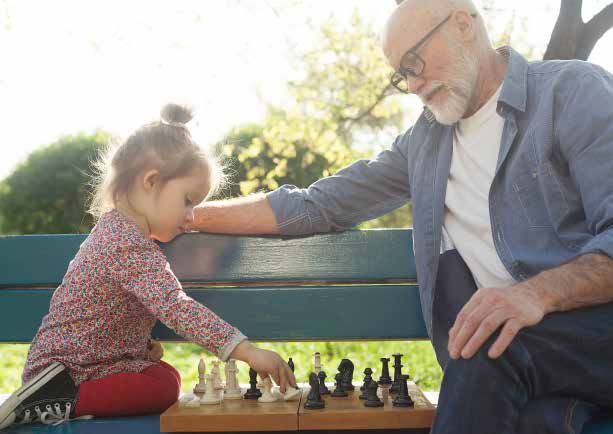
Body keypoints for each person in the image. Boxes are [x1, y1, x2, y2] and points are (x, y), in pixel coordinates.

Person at [185, 1, 613, 433]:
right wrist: (188, 215)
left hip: (590, 332)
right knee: (535, 415)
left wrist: (533, 295)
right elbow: (319, 204)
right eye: (401, 74)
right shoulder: (424, 144)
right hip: (518, 362)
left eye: (414, 62)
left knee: (485, 346)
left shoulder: (572, 93)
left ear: (463, 24)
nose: (411, 84)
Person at [0, 104, 296, 430]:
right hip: (67, 371)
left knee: (164, 376)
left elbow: (102, 317)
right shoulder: (127, 244)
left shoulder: (118, 233)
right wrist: (247, 351)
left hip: (82, 365)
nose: (191, 216)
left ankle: (61, 398)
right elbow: (175, 306)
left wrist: (137, 347)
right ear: (151, 182)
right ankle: (53, 401)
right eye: (187, 200)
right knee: (165, 385)